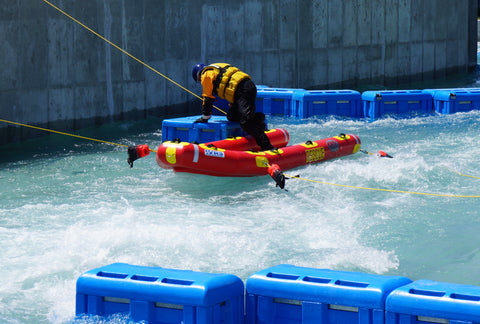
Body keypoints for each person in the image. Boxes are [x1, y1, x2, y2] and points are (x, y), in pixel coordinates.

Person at [192, 63, 274, 151]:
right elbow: (230, 85)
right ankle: (258, 118)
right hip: (244, 88)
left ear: (199, 75)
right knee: (232, 116)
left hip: (243, 90)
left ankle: (267, 146)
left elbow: (207, 98)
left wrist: (205, 117)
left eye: (199, 80)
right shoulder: (215, 69)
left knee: (245, 122)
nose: (201, 82)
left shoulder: (206, 75)